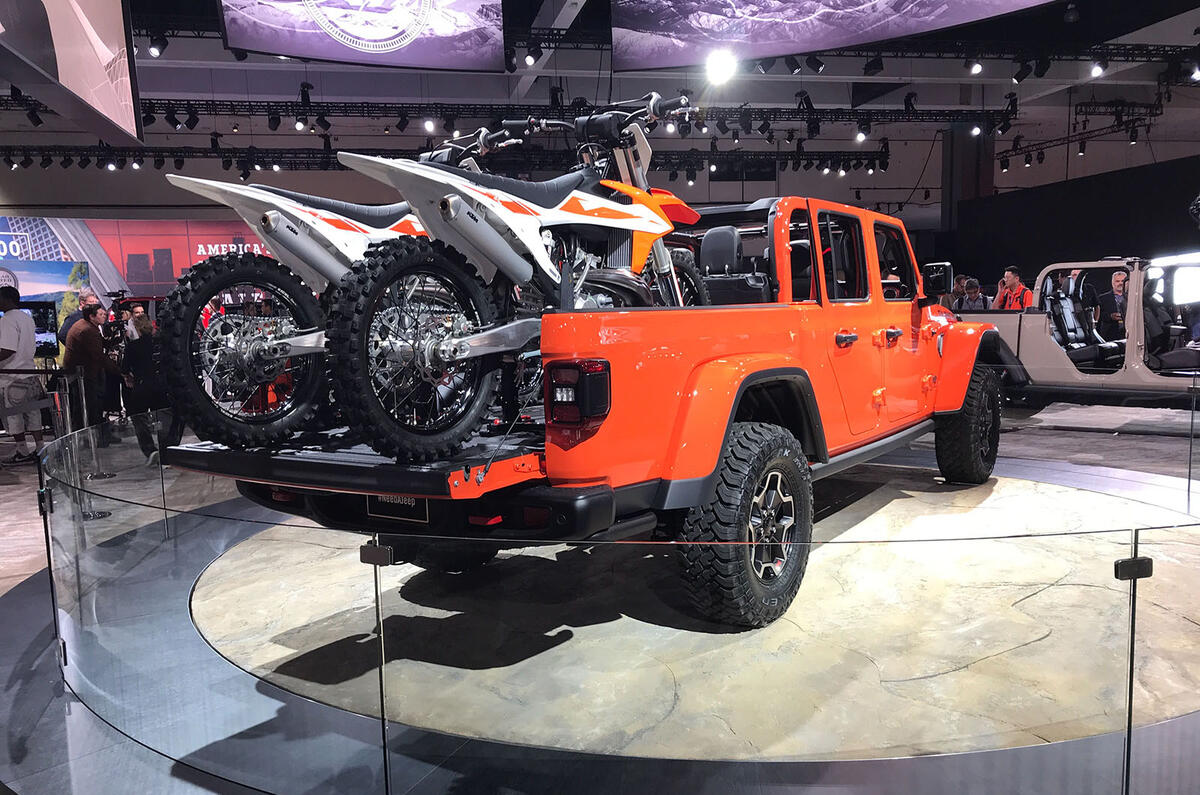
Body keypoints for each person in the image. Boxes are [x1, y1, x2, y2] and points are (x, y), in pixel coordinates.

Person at [122, 314, 183, 464]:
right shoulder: (162, 344)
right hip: (162, 386)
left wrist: (130, 377)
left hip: (142, 386)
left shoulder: (132, 346)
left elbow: (124, 368)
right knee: (165, 419)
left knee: (138, 418)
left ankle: (150, 450)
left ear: (136, 329)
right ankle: (166, 451)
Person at [63, 303, 122, 445]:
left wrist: (113, 340)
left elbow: (99, 347)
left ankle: (91, 437)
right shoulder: (88, 330)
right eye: (101, 314)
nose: (105, 316)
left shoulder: (83, 325)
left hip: (83, 371)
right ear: (92, 316)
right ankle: (97, 439)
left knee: (89, 407)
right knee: (92, 407)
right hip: (85, 374)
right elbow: (98, 356)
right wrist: (121, 371)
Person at [0, 286, 46, 464]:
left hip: (12, 376)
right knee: (33, 413)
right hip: (29, 372)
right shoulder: (27, 318)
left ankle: (22, 451)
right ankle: (41, 448)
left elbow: (8, 349)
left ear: (7, 299)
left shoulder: (7, 320)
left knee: (13, 415)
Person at [1096, 270, 1129, 341]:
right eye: (1117, 281)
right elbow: (1098, 316)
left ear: (1127, 283)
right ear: (1112, 283)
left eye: (1123, 281)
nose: (1120, 283)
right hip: (1110, 335)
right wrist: (1110, 316)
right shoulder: (1102, 298)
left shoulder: (1134, 297)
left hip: (1130, 333)